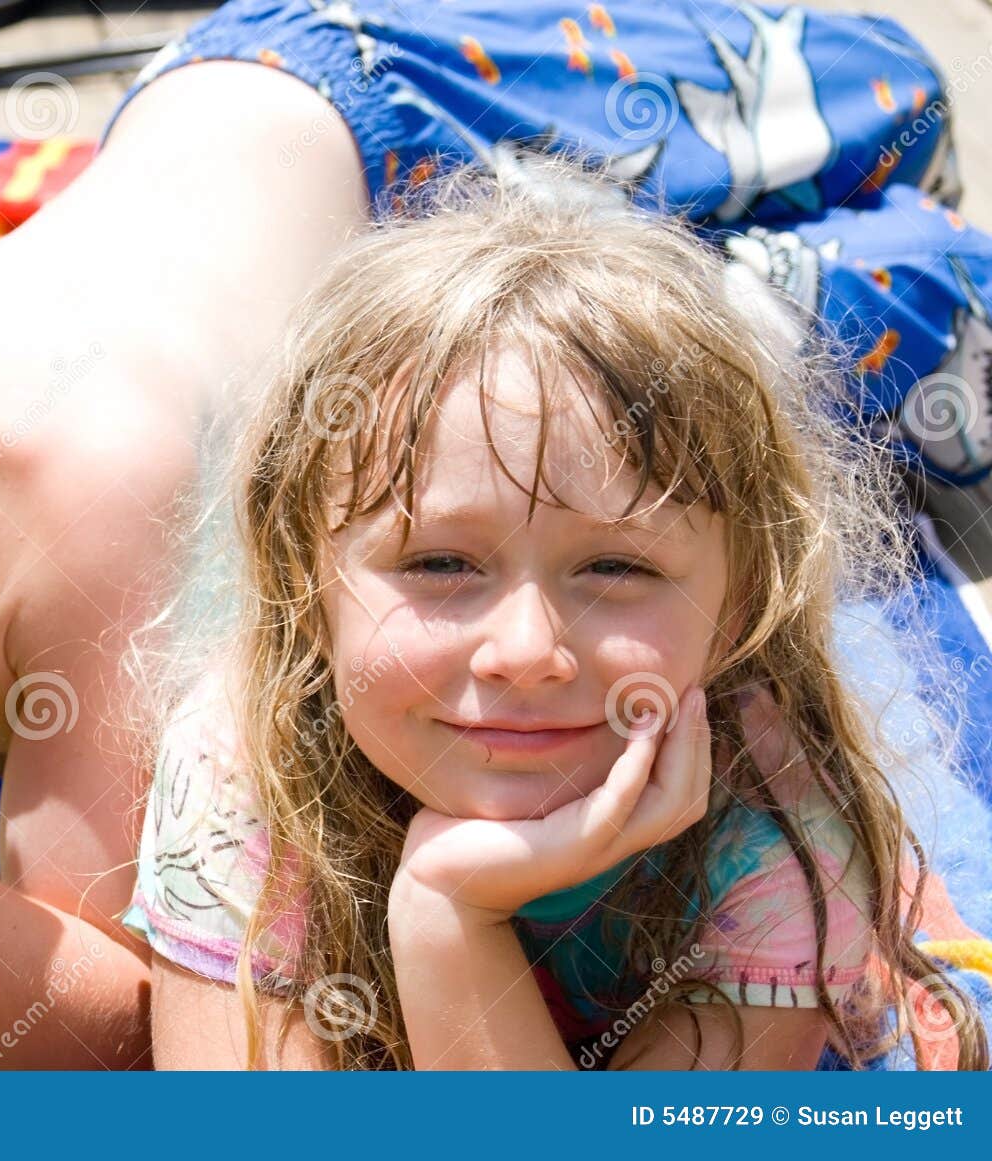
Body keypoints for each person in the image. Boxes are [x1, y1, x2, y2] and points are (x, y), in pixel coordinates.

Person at [0, 0, 990, 1067]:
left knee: (877, 120)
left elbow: (131, 1042)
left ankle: (885, 246)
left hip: (362, 109)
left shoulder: (93, 508)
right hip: (243, 261)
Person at [128, 160, 990, 1070]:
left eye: (616, 564)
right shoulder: (241, 765)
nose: (528, 651)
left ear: (742, 604)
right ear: (302, 585)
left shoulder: (777, 832)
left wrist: (446, 916)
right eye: (441, 563)